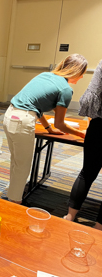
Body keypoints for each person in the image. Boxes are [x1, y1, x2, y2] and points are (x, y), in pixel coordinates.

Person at [3, 54, 87, 204]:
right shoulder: (65, 89)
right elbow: (60, 124)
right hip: (22, 121)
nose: (81, 78)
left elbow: (36, 105)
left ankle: (12, 193)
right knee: (22, 166)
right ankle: (14, 202)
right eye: (82, 74)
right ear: (76, 71)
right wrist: (81, 133)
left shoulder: (45, 75)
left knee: (16, 161)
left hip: (9, 115)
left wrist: (48, 128)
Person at [64, 60, 102, 230]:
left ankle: (70, 216)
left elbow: (90, 96)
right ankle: (99, 227)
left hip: (99, 126)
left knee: (87, 173)